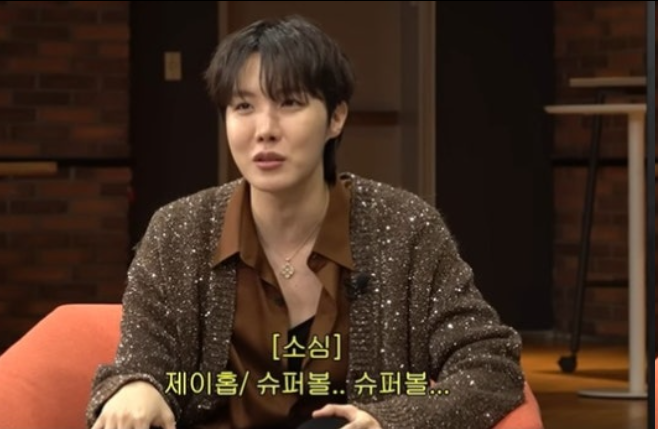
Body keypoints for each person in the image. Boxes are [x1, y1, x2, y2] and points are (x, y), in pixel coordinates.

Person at [86, 14, 526, 429]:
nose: (265, 129)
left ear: (336, 117)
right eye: (243, 106)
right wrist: (137, 386)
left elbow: (491, 366)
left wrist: (396, 419)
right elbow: (142, 359)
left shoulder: (405, 229)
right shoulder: (178, 231)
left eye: (290, 102)